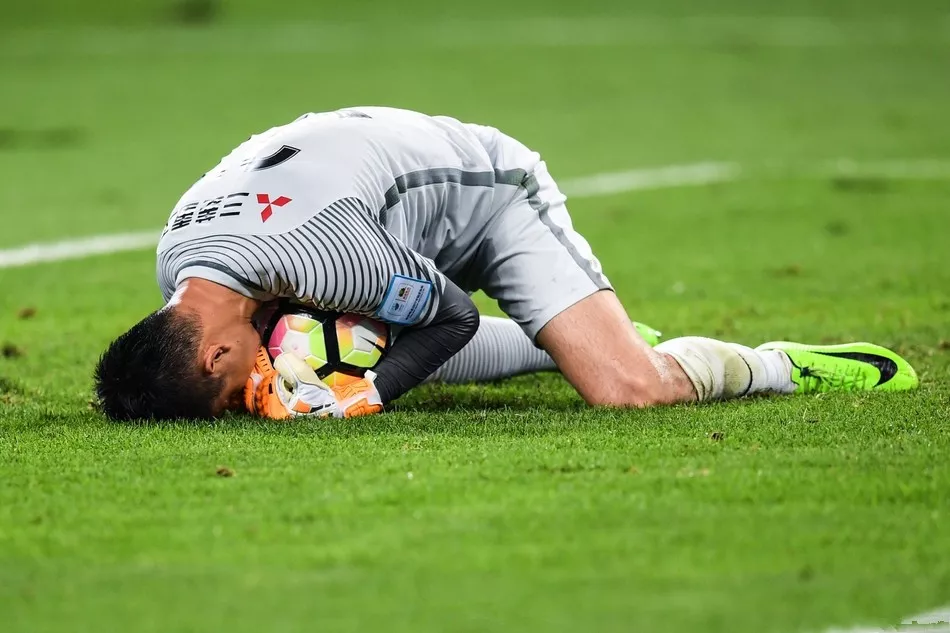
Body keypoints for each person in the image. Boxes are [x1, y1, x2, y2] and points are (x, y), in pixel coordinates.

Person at [94, 107, 918, 421]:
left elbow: (449, 315)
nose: (252, 397)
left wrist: (367, 395)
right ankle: (579, 334)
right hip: (369, 189)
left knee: (624, 387)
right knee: (328, 339)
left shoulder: (323, 257)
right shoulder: (180, 263)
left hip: (486, 193)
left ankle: (773, 366)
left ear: (210, 350)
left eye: (233, 392)